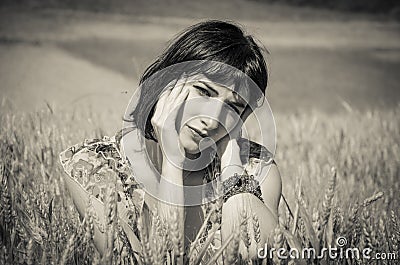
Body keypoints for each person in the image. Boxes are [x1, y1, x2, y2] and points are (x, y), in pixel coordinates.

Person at [60, 20, 281, 263]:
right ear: (168, 80)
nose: (213, 119)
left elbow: (263, 255)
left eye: (233, 107)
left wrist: (231, 161)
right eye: (204, 92)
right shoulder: (92, 167)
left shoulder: (256, 168)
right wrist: (173, 164)